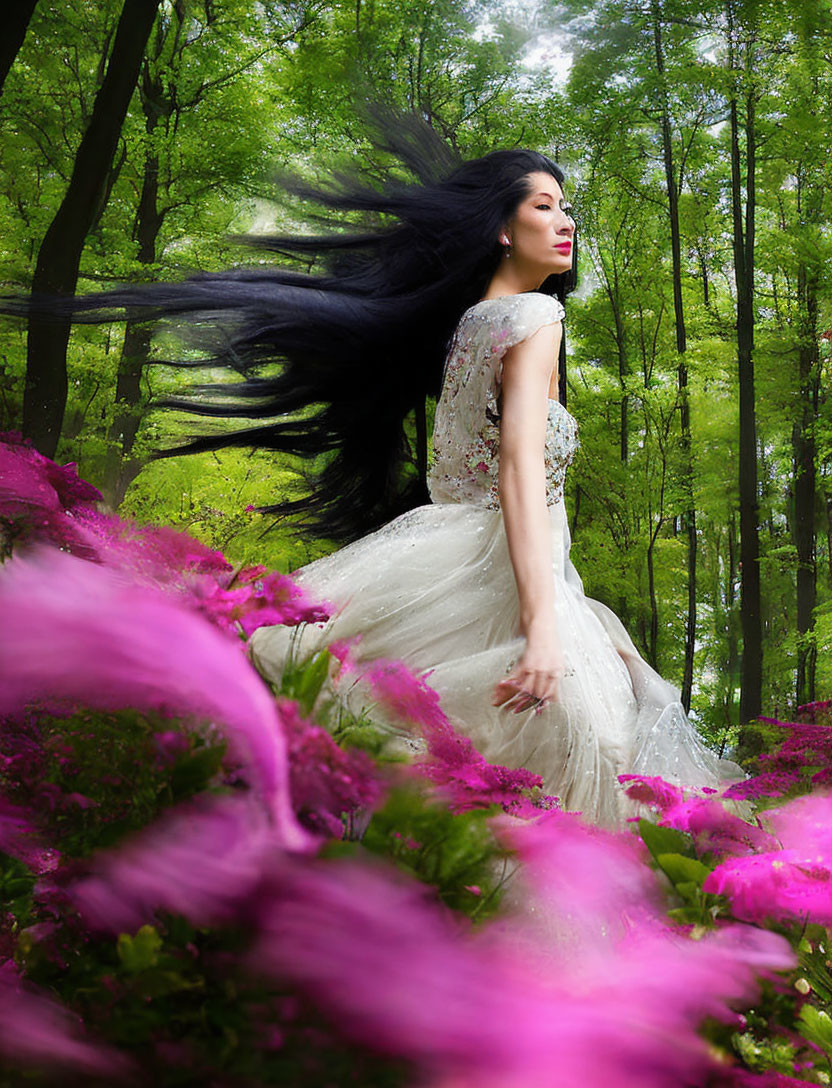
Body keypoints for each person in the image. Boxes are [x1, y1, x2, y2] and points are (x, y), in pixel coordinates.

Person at [10, 143, 739, 824]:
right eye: (544, 205)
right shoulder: (535, 316)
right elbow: (519, 466)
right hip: (500, 567)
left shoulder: (471, 326)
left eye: (565, 205)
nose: (565, 220)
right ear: (501, 229)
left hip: (443, 548)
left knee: (410, 731)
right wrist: (542, 627)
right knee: (560, 755)